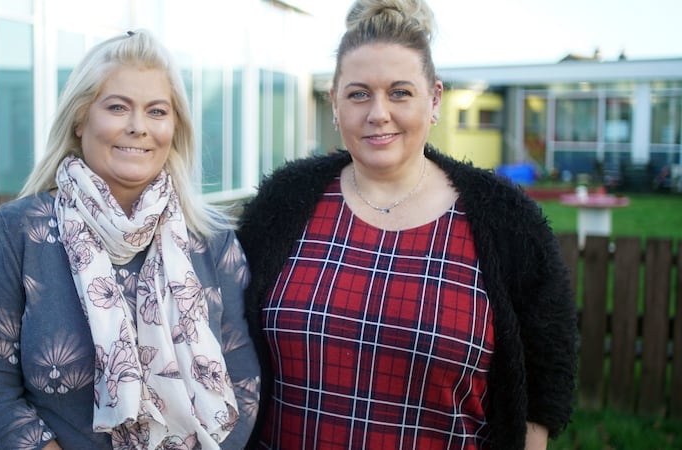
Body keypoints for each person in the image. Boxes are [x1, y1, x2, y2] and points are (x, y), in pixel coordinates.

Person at [237, 1, 578, 449]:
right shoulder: (282, 204)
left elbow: (544, 383)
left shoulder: (505, 222)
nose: (378, 113)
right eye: (359, 94)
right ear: (334, 103)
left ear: (434, 99)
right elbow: (229, 343)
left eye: (400, 92)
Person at [0, 29, 260, 450]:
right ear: (80, 119)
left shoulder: (213, 242)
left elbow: (243, 381)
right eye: (118, 107)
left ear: (175, 126)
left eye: (157, 111)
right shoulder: (16, 233)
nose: (138, 127)